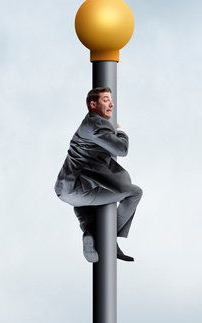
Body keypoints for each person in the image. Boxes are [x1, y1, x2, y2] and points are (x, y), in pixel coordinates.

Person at [55, 86, 141, 263]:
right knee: (134, 192)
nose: (111, 104)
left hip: (64, 190)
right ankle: (106, 237)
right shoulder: (97, 125)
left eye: (110, 99)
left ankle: (89, 232)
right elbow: (121, 149)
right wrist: (121, 132)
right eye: (105, 100)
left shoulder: (87, 123)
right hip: (78, 189)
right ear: (93, 105)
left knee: (91, 202)